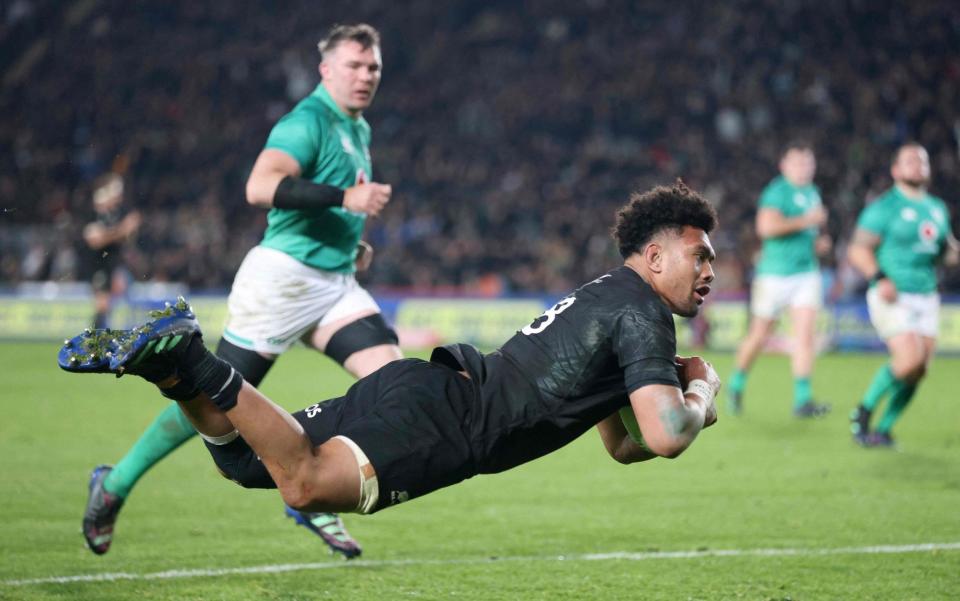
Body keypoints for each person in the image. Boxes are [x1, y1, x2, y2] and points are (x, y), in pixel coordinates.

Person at [61, 182, 721, 521]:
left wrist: (671, 390)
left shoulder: (608, 295)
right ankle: (200, 360)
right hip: (450, 426)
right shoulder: (643, 311)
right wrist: (701, 394)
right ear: (655, 254)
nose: (710, 271)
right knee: (305, 481)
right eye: (700, 255)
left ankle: (171, 370)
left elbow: (621, 442)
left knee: (242, 460)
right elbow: (665, 435)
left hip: (424, 385)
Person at [81, 23, 400, 558]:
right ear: (326, 70)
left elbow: (324, 208)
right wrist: (345, 198)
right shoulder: (308, 120)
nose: (365, 75)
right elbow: (261, 186)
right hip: (281, 284)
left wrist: (350, 244)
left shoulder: (357, 127)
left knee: (394, 385)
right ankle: (113, 485)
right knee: (215, 401)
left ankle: (311, 489)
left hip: (333, 286)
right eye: (354, 66)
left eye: (373, 68)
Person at [847, 143, 959, 447]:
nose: (918, 164)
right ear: (896, 170)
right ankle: (863, 410)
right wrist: (878, 276)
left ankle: (883, 429)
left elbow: (946, 252)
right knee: (909, 360)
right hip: (892, 294)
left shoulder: (936, 208)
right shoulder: (884, 207)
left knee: (920, 370)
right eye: (910, 160)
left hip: (927, 294)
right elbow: (858, 249)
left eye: (922, 160)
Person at [727, 143, 831, 417]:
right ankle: (736, 383)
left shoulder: (812, 192)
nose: (804, 168)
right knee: (760, 335)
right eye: (798, 163)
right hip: (774, 275)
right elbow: (766, 228)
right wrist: (806, 220)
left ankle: (803, 400)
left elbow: (810, 232)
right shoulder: (777, 192)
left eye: (808, 163)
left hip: (806, 273)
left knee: (805, 335)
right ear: (784, 165)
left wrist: (819, 243)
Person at [83, 172, 141, 329]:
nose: (119, 193)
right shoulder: (92, 214)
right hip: (98, 264)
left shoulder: (116, 214)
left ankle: (109, 337)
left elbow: (126, 238)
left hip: (115, 265)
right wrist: (123, 229)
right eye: (116, 189)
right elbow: (95, 240)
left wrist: (129, 231)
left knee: (111, 304)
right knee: (103, 305)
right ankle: (94, 341)